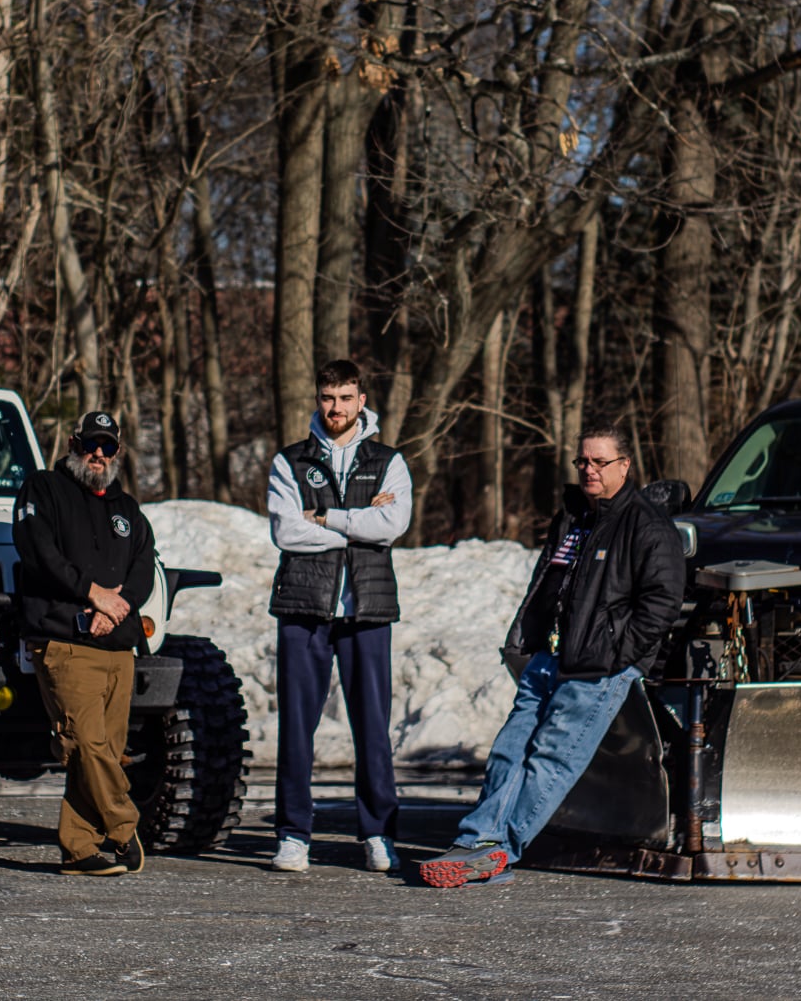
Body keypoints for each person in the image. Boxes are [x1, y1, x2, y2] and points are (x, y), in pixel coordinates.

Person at [419, 426, 683, 888]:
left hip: (596, 669)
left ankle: (500, 849)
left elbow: (661, 602)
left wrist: (617, 656)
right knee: (508, 751)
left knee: (551, 761)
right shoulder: (575, 516)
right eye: (583, 461)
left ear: (624, 465)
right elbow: (551, 583)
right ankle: (476, 841)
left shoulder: (647, 524)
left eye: (600, 462)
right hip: (549, 658)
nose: (589, 470)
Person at [265, 359, 413, 873]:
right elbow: (287, 532)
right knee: (297, 726)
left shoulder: (389, 461)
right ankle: (293, 834)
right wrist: (360, 523)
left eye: (346, 398)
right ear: (318, 400)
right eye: (328, 398)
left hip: (367, 609)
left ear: (361, 401)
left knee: (372, 727)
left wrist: (327, 517)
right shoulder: (290, 461)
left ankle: (377, 834)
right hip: (304, 607)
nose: (336, 408)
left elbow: (393, 525)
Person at [14, 410, 157, 876]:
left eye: (108, 446)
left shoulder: (127, 510)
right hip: (64, 639)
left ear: (118, 452)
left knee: (104, 751)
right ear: (73, 443)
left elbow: (142, 565)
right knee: (88, 743)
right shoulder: (43, 490)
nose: (98, 454)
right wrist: (91, 594)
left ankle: (79, 850)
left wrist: (119, 605)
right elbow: (39, 553)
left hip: (118, 645)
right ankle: (123, 824)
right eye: (90, 444)